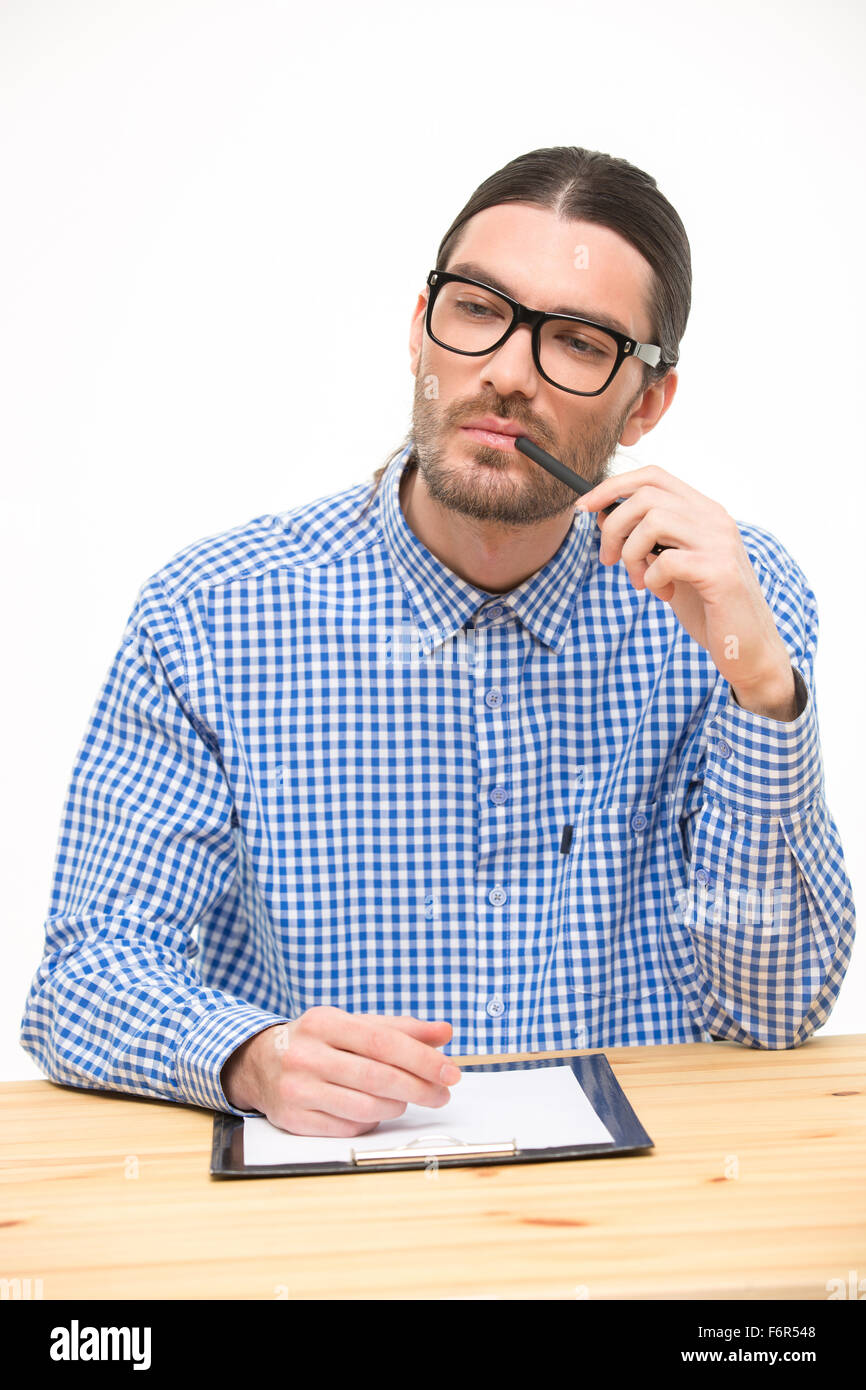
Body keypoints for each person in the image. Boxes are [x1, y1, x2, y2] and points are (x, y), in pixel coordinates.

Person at [20, 145, 855, 1140]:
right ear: (419, 330)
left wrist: (763, 688)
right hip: (333, 1230)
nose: (506, 374)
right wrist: (246, 1056)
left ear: (645, 403)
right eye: (476, 311)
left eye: (578, 342)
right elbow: (87, 976)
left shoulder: (727, 603)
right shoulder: (210, 613)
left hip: (639, 1225)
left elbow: (772, 1008)